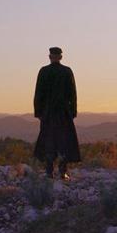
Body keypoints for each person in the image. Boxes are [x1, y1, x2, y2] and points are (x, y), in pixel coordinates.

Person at [33, 46, 81, 179]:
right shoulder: (66, 71)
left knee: (49, 140)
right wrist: (72, 111)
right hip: (63, 112)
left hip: (48, 113)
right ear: (60, 57)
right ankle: (62, 171)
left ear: (50, 57)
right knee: (64, 141)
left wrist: (39, 112)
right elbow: (73, 93)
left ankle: (49, 172)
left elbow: (38, 93)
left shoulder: (44, 71)